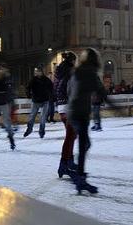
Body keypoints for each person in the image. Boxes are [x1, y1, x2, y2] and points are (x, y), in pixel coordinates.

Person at [67, 48, 107, 194]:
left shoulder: (77, 71)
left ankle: (79, 174)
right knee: (84, 145)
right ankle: (80, 179)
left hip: (73, 112)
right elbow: (102, 92)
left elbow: (69, 90)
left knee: (85, 144)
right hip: (80, 112)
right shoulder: (90, 73)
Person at [54, 51, 78, 179]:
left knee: (72, 135)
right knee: (71, 136)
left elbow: (56, 88)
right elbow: (70, 89)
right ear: (73, 61)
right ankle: (64, 165)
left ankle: (69, 161)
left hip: (61, 106)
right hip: (69, 106)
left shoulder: (58, 71)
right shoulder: (70, 72)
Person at [24, 66, 53, 139]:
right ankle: (29, 129)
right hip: (36, 101)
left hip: (45, 101)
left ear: (41, 72)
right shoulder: (33, 80)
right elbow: (28, 87)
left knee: (43, 117)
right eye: (35, 71)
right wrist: (28, 94)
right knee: (32, 116)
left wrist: (50, 95)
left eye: (37, 71)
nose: (36, 73)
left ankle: (41, 130)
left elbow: (51, 87)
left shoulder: (46, 79)